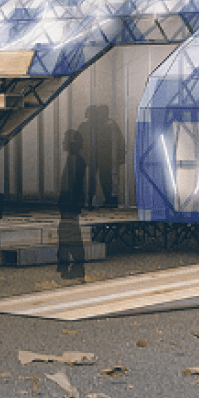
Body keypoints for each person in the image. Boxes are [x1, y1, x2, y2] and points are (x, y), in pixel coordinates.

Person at [76, 105, 125, 210]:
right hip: (102, 157)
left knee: (100, 180)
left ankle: (93, 201)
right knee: (104, 180)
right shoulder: (107, 125)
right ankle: (107, 201)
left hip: (100, 157)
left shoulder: (103, 126)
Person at [57, 128, 90, 282]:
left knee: (69, 233)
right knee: (71, 232)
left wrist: (65, 201)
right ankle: (74, 266)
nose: (63, 142)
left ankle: (74, 265)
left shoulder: (74, 160)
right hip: (72, 202)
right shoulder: (77, 159)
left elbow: (69, 184)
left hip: (69, 202)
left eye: (66, 139)